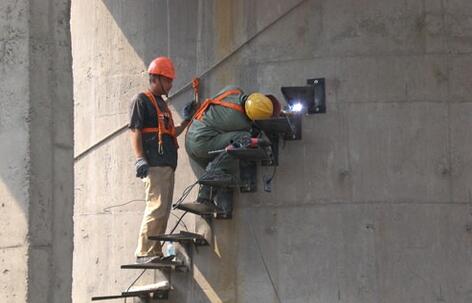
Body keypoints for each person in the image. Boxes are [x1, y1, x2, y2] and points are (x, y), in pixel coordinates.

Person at [129, 56, 196, 264]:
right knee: (156, 207)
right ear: (155, 78)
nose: (171, 84)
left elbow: (170, 133)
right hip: (154, 164)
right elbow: (135, 130)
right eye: (167, 79)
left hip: (166, 164)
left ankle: (154, 251)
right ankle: (145, 252)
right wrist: (140, 158)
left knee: (163, 209)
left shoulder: (162, 106)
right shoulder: (142, 100)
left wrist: (186, 120)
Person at [185, 86, 278, 219]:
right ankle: (206, 191)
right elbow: (250, 134)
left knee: (226, 170)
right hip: (200, 144)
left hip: (192, 136)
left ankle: (213, 201)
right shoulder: (239, 122)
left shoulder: (234, 90)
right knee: (243, 139)